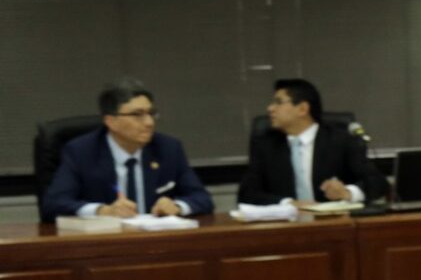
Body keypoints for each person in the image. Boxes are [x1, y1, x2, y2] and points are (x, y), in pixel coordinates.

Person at [41, 78, 213, 223]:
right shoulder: (81, 152)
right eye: (137, 115)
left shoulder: (168, 148)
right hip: (105, 243)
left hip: (156, 241)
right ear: (111, 122)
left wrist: (177, 206)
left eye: (151, 113)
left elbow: (203, 198)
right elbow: (53, 204)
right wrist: (102, 211)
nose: (149, 122)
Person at [236, 78, 387, 206]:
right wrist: (289, 203)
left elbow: (378, 183)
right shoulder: (266, 144)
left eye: (278, 102)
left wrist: (347, 192)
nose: (270, 108)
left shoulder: (340, 140)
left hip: (334, 223)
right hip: (286, 225)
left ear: (302, 109)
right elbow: (247, 193)